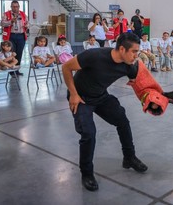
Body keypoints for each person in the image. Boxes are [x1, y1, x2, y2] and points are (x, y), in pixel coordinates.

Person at [62, 32, 149, 191]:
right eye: (134, 51)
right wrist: (73, 94)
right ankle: (86, 173)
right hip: (80, 98)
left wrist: (151, 99)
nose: (137, 55)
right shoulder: (94, 55)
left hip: (100, 96)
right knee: (88, 133)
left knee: (122, 121)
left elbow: (139, 82)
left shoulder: (129, 65)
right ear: (122, 49)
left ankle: (129, 157)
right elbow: (66, 67)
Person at [1, 1, 28, 75]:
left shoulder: (23, 14)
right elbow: (2, 23)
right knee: (12, 53)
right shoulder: (6, 14)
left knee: (19, 53)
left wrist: (26, 25)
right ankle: (11, 70)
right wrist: (10, 22)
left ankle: (17, 70)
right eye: (13, 6)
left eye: (17, 6)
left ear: (19, 7)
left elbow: (27, 22)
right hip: (11, 36)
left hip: (21, 36)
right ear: (11, 7)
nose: (15, 8)